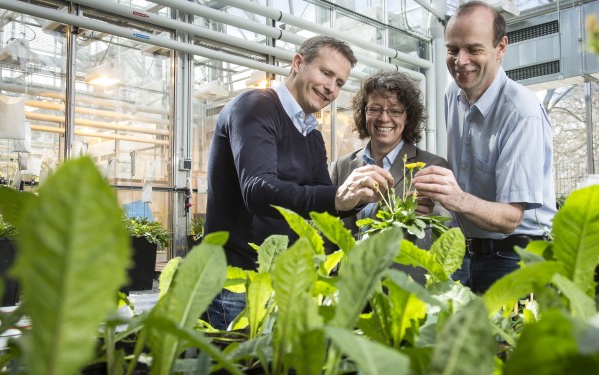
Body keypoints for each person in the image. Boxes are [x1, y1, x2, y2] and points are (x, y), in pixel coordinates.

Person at [204, 36, 394, 329]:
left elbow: (322, 202)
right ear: (298, 63)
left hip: (283, 281)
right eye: (325, 73)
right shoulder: (255, 107)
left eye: (340, 82)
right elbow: (256, 189)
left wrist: (358, 198)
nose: (331, 87)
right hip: (237, 281)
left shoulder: (311, 134)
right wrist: (337, 197)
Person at [413, 1, 557, 294]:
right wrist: (435, 198)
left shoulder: (521, 112)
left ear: (501, 48)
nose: (460, 61)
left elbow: (510, 218)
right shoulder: (452, 92)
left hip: (518, 257)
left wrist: (455, 198)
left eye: (474, 49)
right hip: (470, 253)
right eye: (452, 50)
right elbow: (467, 185)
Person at [329, 70, 449, 285]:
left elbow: (447, 230)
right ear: (363, 113)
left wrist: (431, 212)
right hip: (347, 288)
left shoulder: (432, 165)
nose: (384, 118)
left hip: (401, 286)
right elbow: (323, 225)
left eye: (395, 111)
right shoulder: (342, 166)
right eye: (375, 109)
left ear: (408, 116)